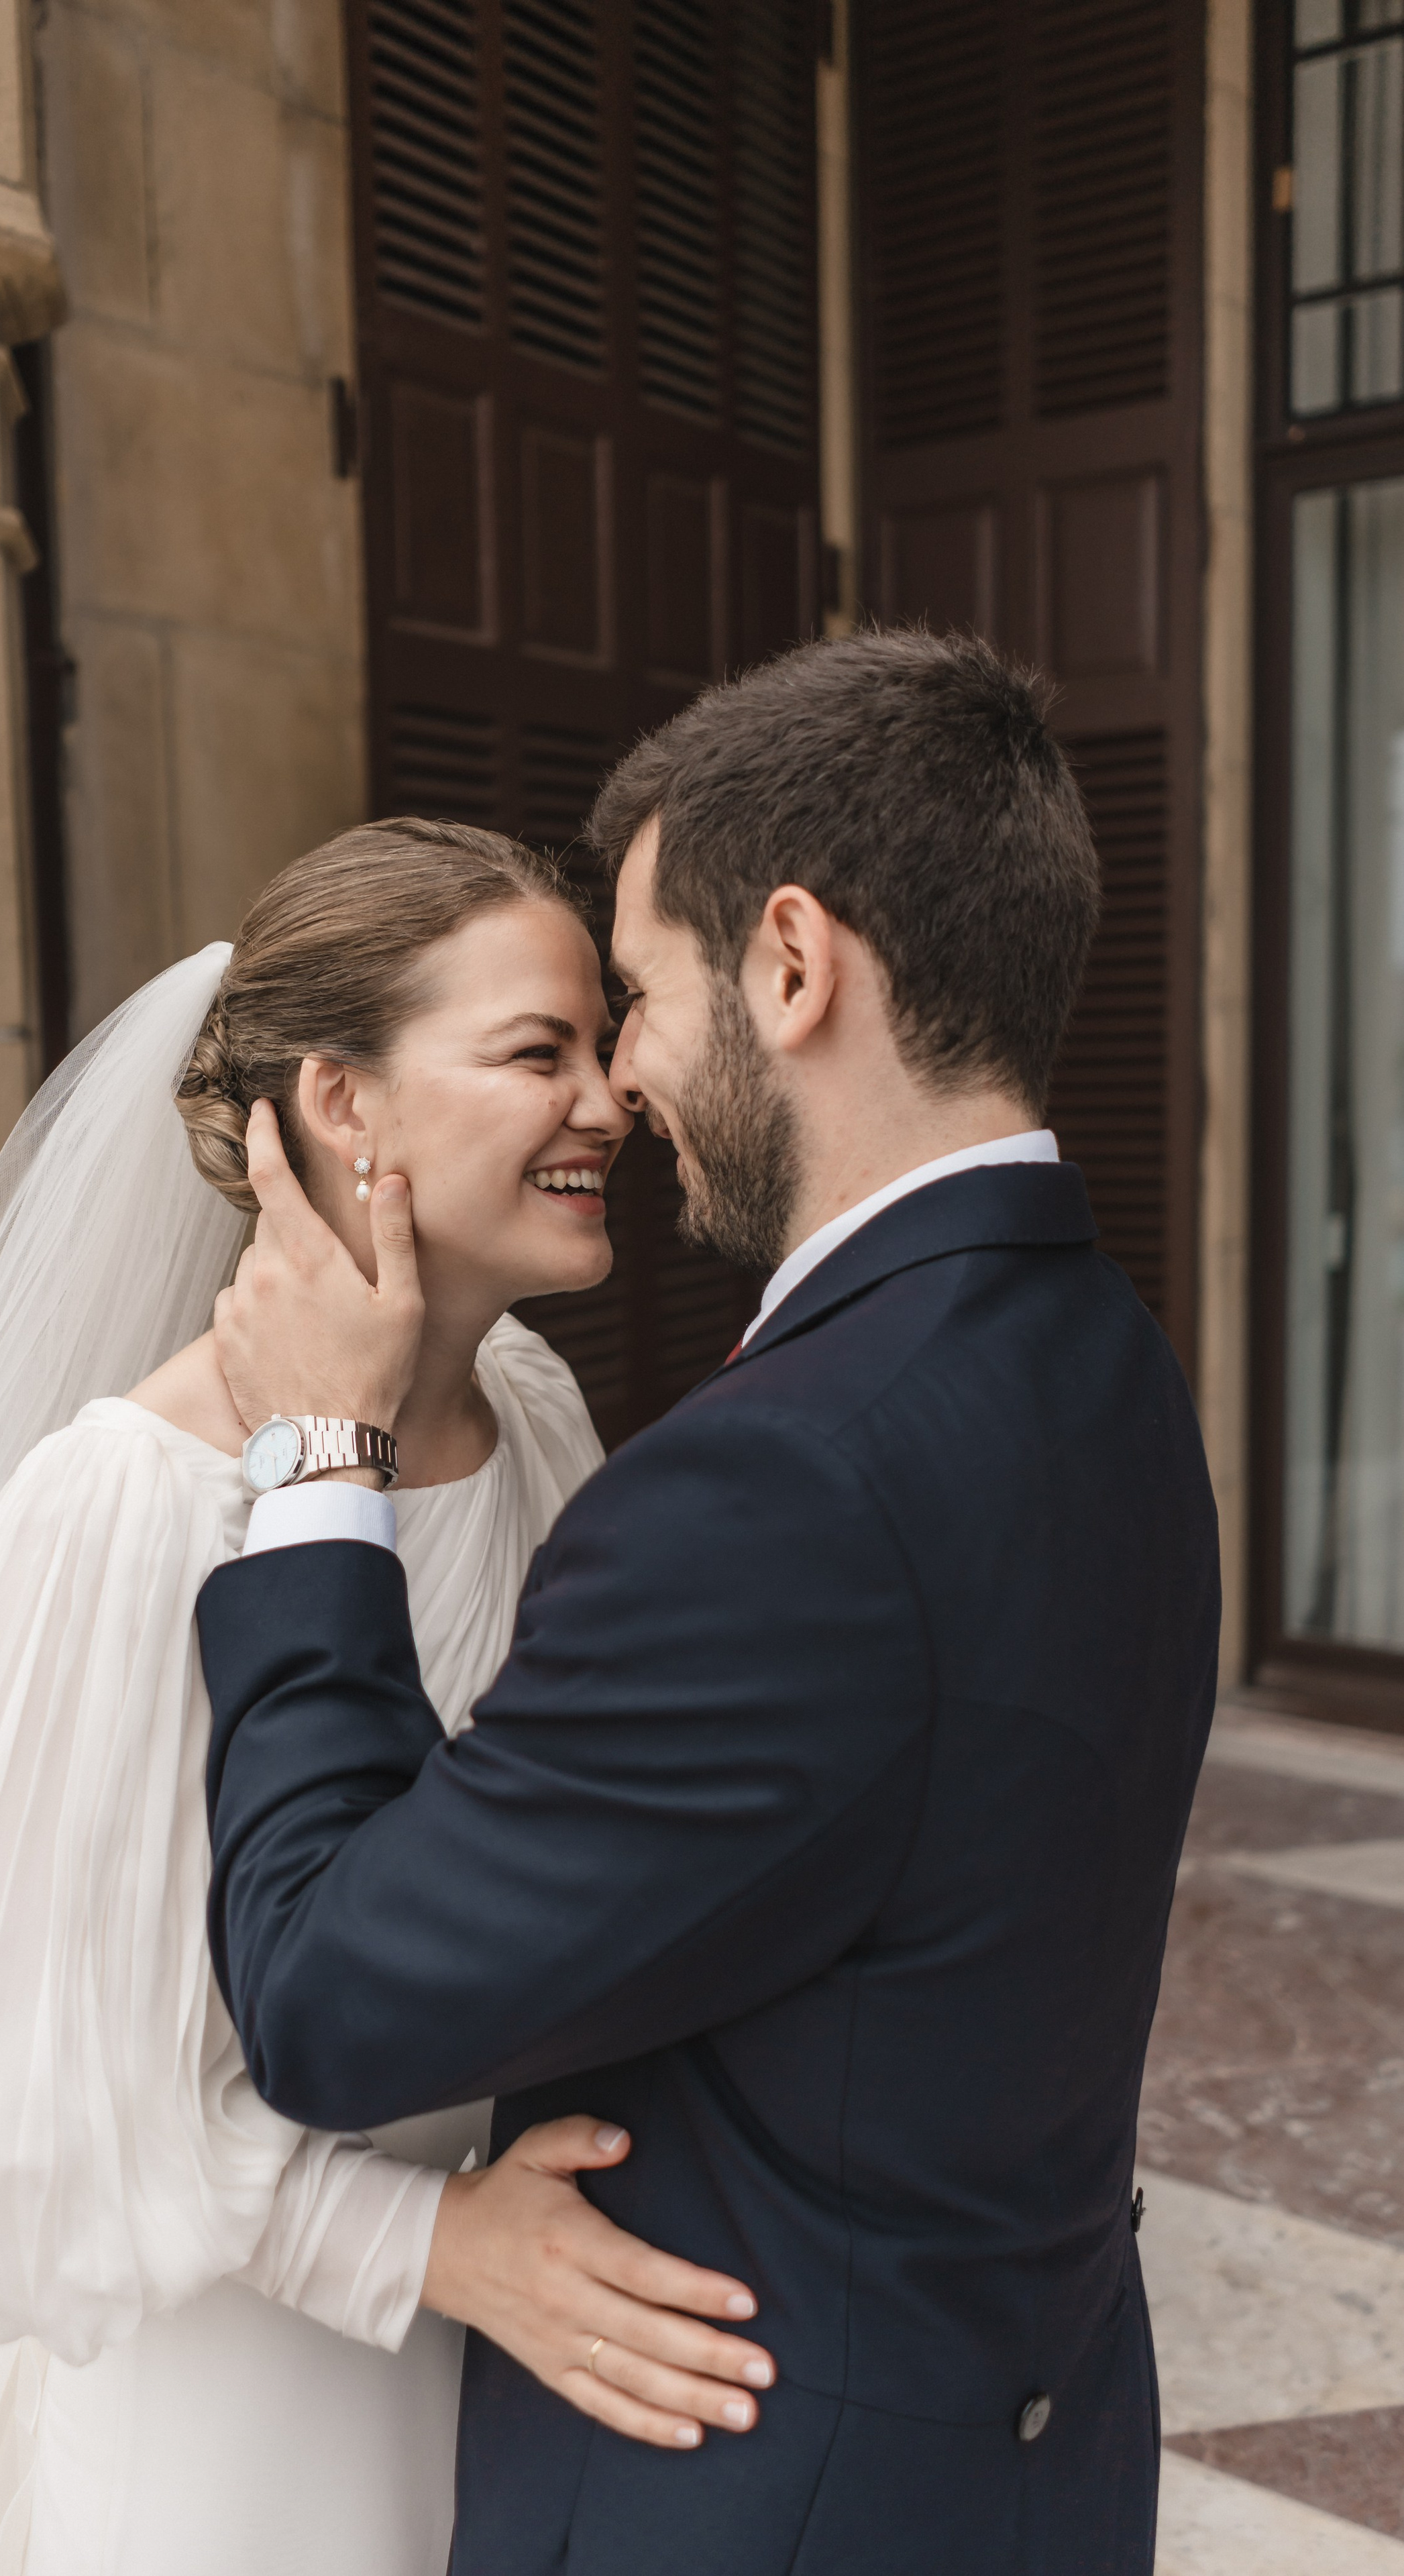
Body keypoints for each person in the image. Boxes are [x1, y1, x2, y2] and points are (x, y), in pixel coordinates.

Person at [196, 631, 1223, 2576]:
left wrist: (322, 1466)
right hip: (1033, 2454)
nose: (627, 1083)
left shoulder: (781, 1482)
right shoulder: (1111, 1359)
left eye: (645, 997)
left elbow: (330, 1997)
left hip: (768, 2500)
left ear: (794, 963)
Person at [0, 822, 770, 2576]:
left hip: (512, 2348)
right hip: (242, 2404)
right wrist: (425, 2247)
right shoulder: (124, 1505)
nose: (609, 1100)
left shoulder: (534, 1409)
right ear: (341, 1102)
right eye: (536, 1052)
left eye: (600, 1041)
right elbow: (13, 2098)